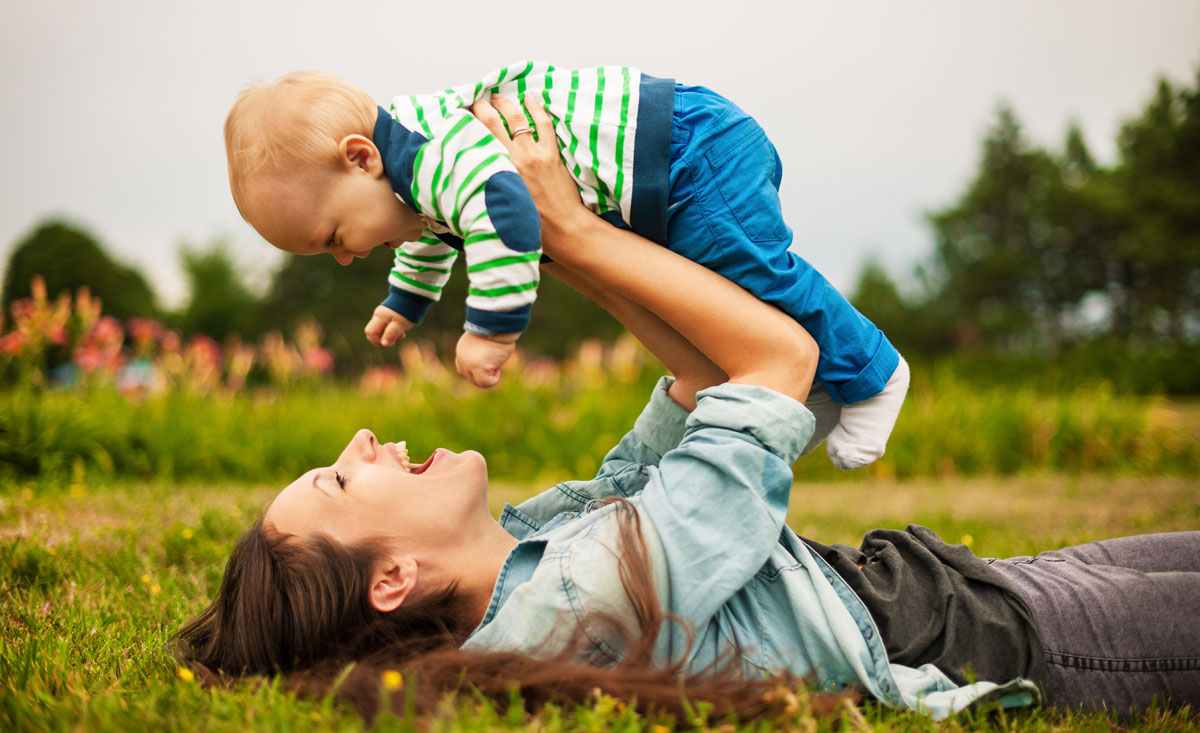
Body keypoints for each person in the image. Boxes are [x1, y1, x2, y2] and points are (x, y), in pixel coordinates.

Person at [181, 98, 1200, 723]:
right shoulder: (579, 602)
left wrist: (561, 233)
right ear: (395, 577)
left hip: (955, 587)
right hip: (1003, 635)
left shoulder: (539, 553)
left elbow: (701, 389)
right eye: (336, 477)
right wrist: (571, 237)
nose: (358, 440)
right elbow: (776, 359)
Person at [222, 62, 909, 470]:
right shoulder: (410, 178)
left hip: (688, 147)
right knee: (726, 296)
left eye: (333, 234)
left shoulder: (434, 155)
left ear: (360, 158)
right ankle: (818, 380)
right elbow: (434, 237)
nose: (345, 255)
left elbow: (504, 214)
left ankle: (875, 372)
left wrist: (489, 330)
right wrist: (407, 302)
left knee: (754, 274)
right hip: (662, 171)